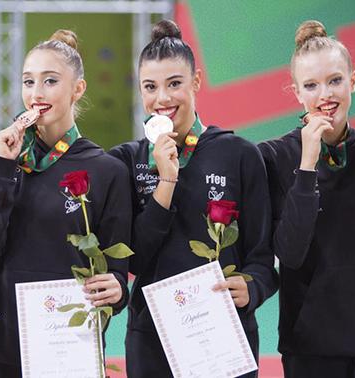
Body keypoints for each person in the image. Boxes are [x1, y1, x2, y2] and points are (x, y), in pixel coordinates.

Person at [108, 19, 277, 378]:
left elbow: (261, 257)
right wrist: (166, 180)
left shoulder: (241, 155)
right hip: (151, 337)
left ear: (196, 82)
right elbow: (134, 256)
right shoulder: (126, 160)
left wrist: (254, 288)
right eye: (150, 87)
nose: (162, 99)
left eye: (174, 84)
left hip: (223, 333)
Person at [0, 29, 132, 377]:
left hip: (69, 344)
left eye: (50, 81)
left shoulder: (108, 171)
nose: (36, 93)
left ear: (78, 89)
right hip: (7, 344)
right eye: (28, 82)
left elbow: (116, 275)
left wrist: (117, 290)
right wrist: (5, 167)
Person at [258, 20, 355, 378]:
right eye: (311, 85)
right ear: (296, 92)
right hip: (312, 346)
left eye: (335, 80)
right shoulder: (274, 157)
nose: (325, 95)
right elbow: (290, 252)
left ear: (353, 81)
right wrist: (307, 165)